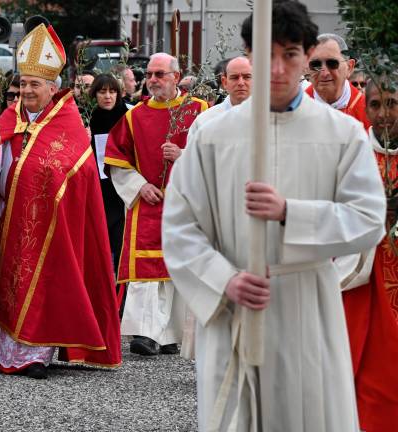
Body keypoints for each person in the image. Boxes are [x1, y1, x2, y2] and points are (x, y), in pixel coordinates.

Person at [162, 1, 386, 430]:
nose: (278, 69)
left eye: (290, 55)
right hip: (234, 305)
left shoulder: (341, 134)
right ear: (248, 53)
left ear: (305, 57)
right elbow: (180, 224)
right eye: (267, 55)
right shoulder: (212, 133)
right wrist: (223, 278)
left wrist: (291, 214)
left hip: (307, 303)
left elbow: (368, 216)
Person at [0, 23, 121, 380]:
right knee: (3, 282)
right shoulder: (7, 120)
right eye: (23, 84)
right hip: (5, 219)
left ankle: (35, 354)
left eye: (35, 85)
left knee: (43, 284)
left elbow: (79, 175)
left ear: (52, 87)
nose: (27, 91)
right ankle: (8, 351)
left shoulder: (69, 125)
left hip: (51, 226)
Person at [104, 52, 207, 356]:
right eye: (149, 74)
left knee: (178, 268)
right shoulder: (135, 116)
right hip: (148, 199)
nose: (152, 80)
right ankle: (146, 333)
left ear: (176, 76)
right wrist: (140, 185)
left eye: (160, 74)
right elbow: (116, 157)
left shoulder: (200, 111)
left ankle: (172, 333)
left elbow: (217, 156)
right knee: (146, 268)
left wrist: (183, 156)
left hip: (186, 202)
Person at [337, 78, 398, 431]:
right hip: (366, 279)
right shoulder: (355, 155)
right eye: (375, 105)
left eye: (392, 103)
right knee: (372, 374)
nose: (384, 114)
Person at [88, 73, 127, 275]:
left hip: (123, 193)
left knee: (122, 247)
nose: (108, 96)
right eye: (102, 92)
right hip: (99, 192)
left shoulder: (127, 117)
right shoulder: (89, 119)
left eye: (112, 91)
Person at [305, 33, 369, 129]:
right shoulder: (297, 108)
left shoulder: (367, 111)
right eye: (316, 64)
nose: (324, 73)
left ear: (349, 67)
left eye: (332, 64)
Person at [189, 56, 252, 134]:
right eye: (234, 78)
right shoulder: (205, 121)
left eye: (247, 77)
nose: (241, 83)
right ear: (224, 82)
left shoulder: (268, 118)